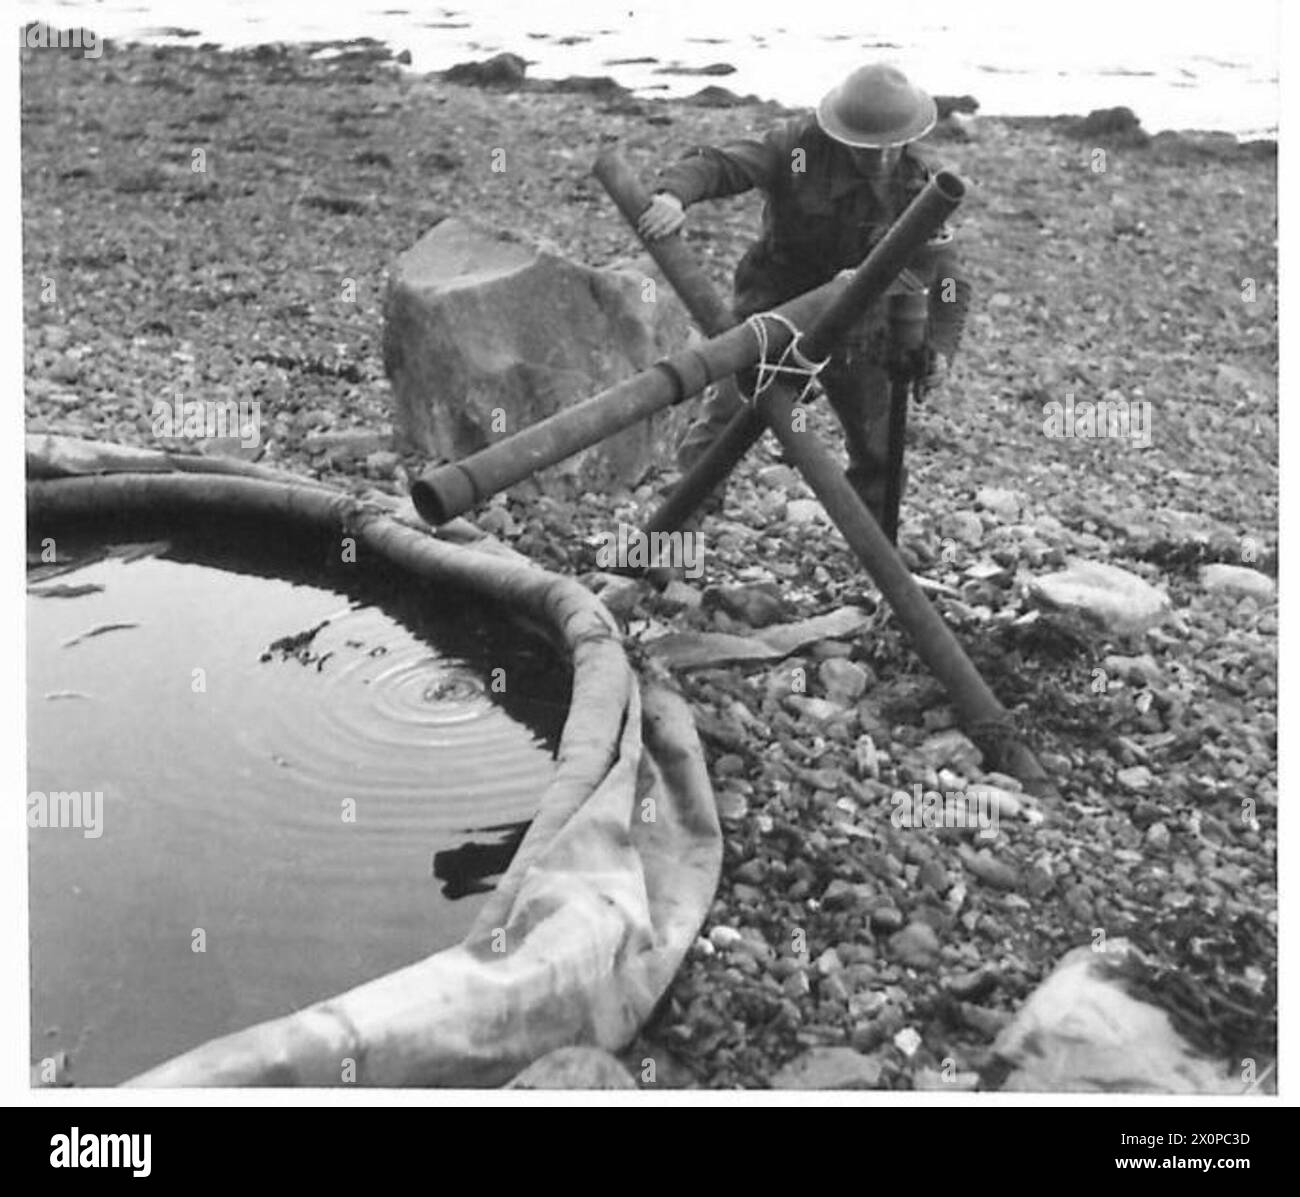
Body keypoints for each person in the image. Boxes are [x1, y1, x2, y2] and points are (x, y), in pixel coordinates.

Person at [637, 63, 970, 525]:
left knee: (878, 446)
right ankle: (680, 523)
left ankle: (877, 543)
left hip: (862, 328)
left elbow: (949, 278)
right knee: (726, 415)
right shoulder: (796, 148)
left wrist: (941, 348)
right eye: (864, 149)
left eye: (888, 148)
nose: (878, 160)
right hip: (775, 311)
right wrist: (674, 195)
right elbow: (724, 164)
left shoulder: (923, 183)